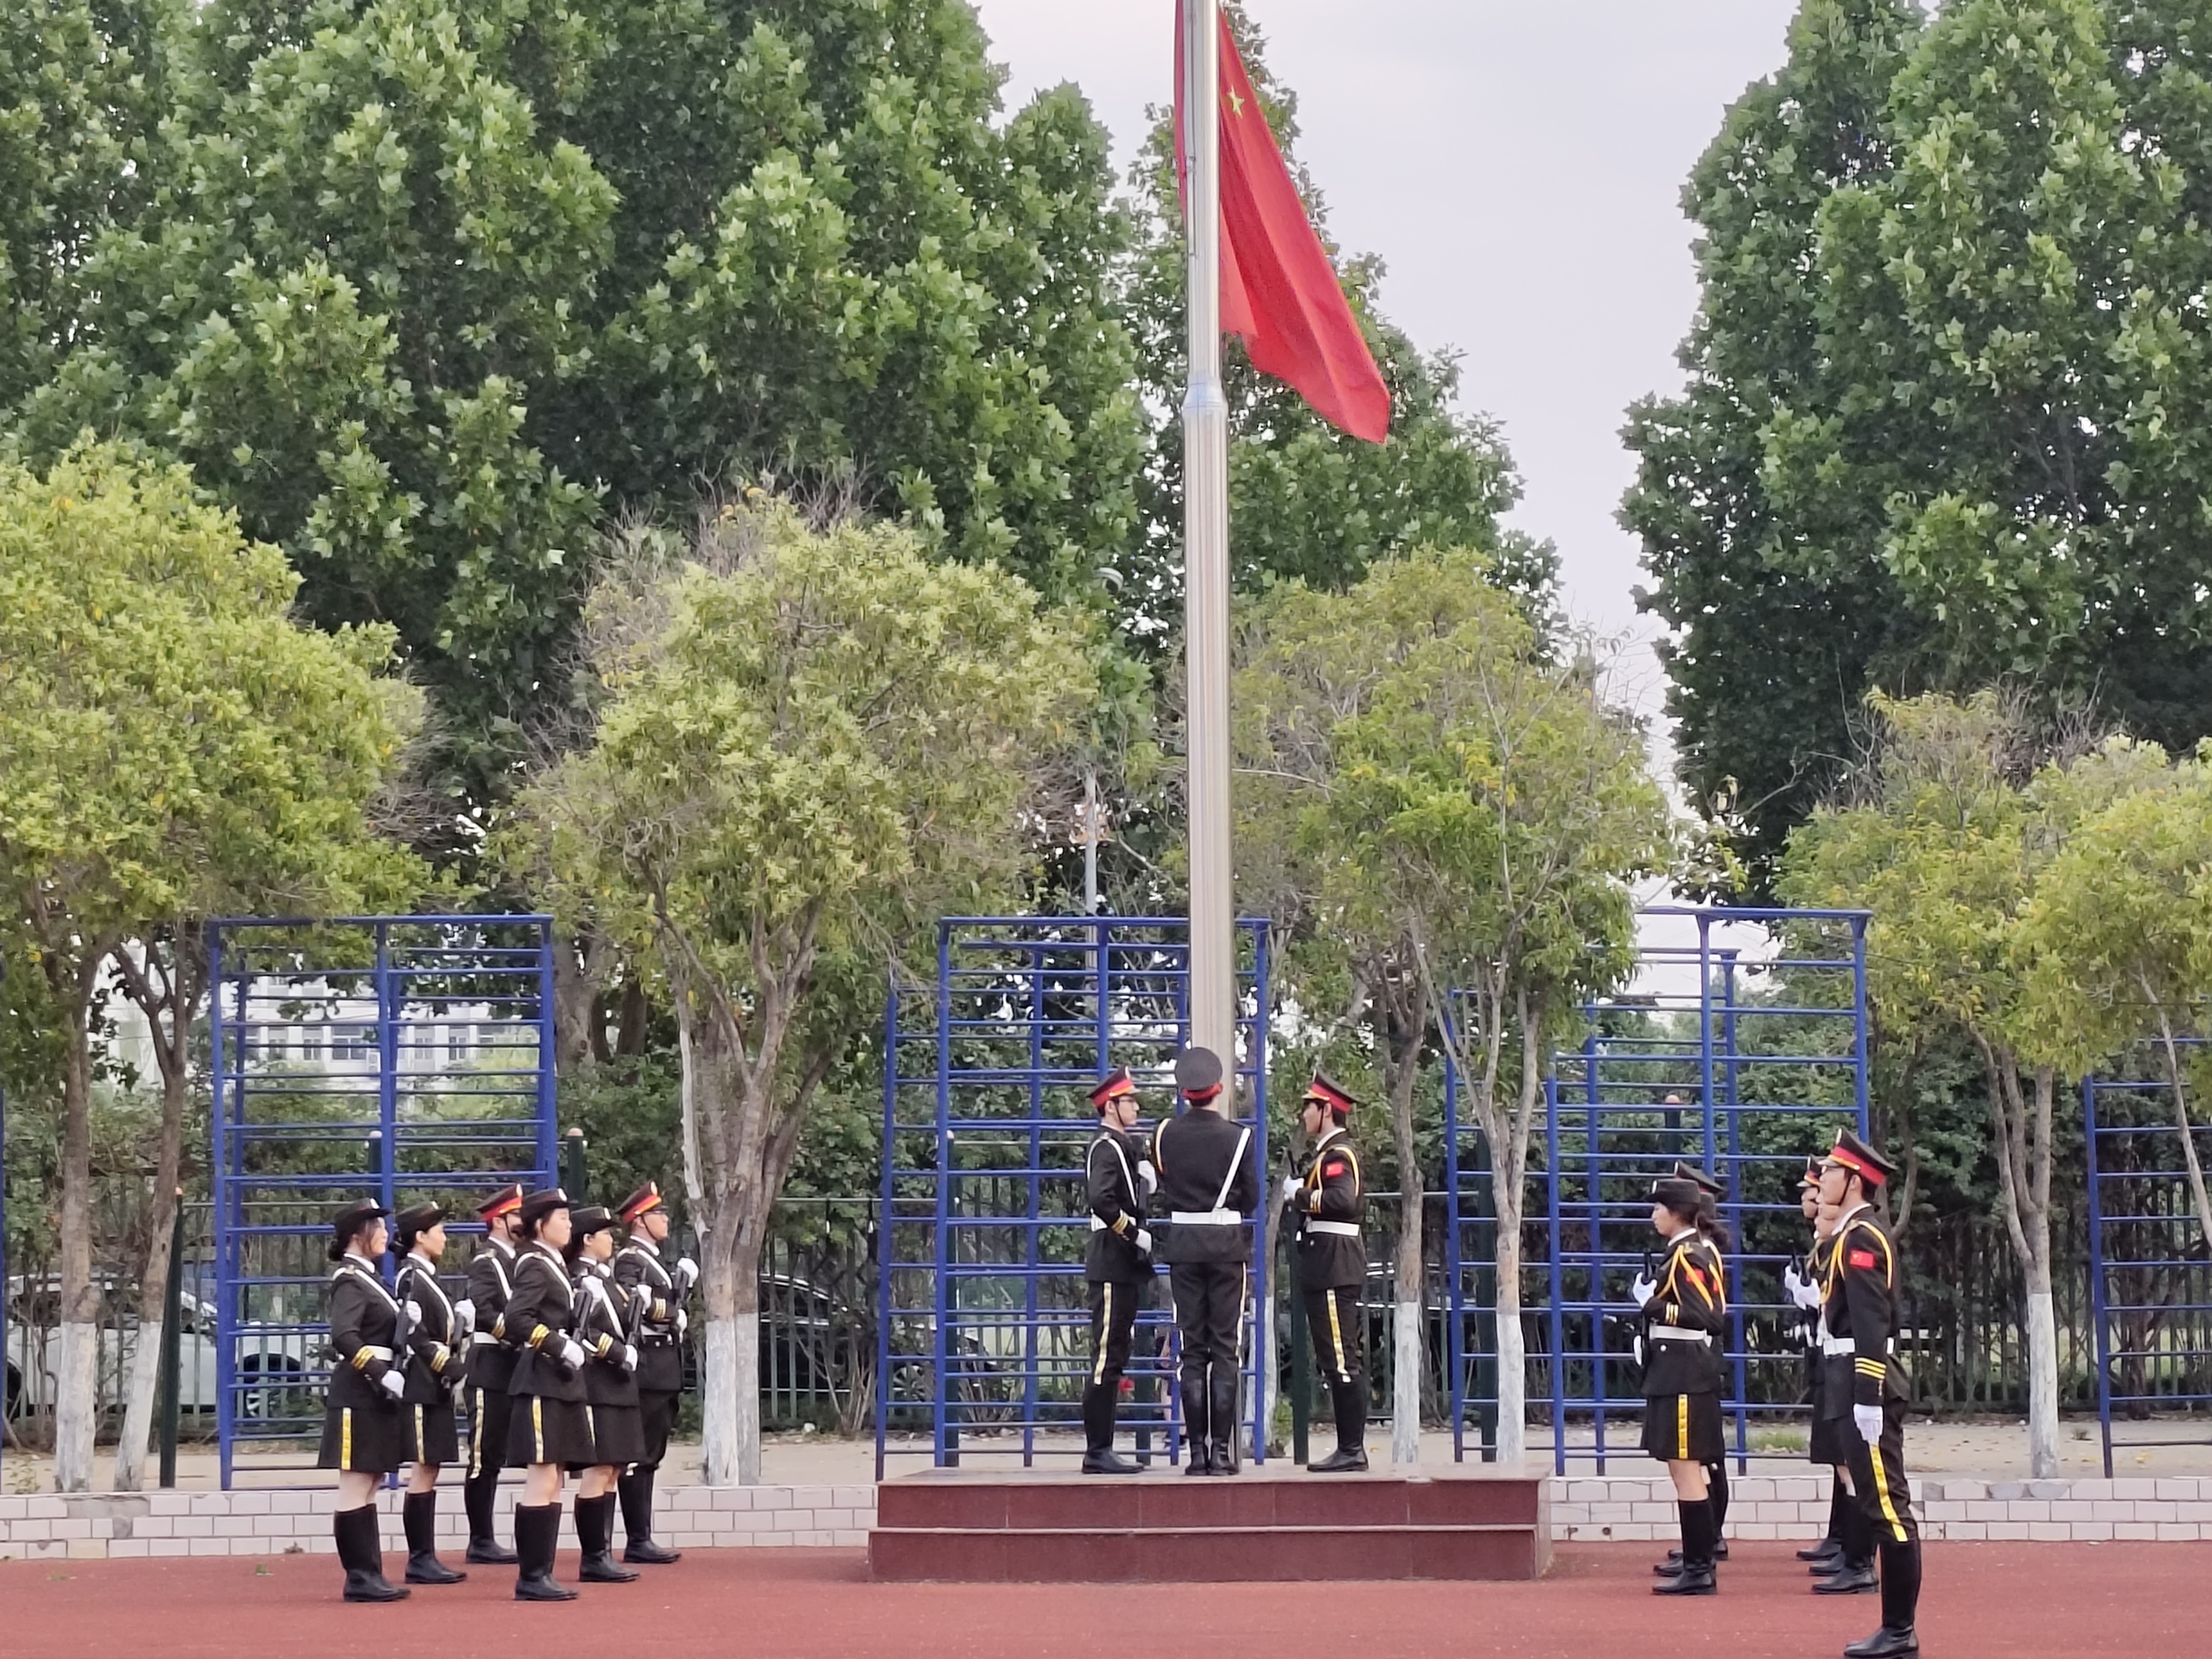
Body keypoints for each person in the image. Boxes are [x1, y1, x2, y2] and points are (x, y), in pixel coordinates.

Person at [1818, 1131, 1923, 1658]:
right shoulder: (1850, 1234)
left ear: (1854, 1181)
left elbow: (1870, 1322)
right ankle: (1895, 1630)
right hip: (1849, 1380)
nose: (1823, 1179)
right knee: (1879, 1505)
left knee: (1888, 1508)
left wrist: (1866, 1394)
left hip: (1866, 1385)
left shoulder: (1862, 1237)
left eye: (1831, 1171)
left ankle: (1899, 1631)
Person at [1150, 1046, 1260, 1476]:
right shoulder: (1240, 1138)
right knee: (1226, 1349)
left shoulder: (1164, 1135)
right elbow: (1251, 1198)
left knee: (1192, 1351)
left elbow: (1164, 1185)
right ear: (1218, 1089)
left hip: (1184, 1247)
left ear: (1184, 1092)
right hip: (1226, 1248)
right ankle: (1221, 1454)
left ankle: (1196, 1453)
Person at [1636, 1172, 1729, 1596]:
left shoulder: (1688, 1255)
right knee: (1683, 1468)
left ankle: (1699, 1568)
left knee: (1687, 1469)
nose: (1654, 1215)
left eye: (1659, 1208)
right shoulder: (1685, 1251)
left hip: (1685, 1372)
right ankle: (1697, 1561)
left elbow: (1708, 1317)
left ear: (1677, 1213)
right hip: (1675, 1369)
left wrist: (1652, 1306)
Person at [501, 1186, 591, 1601]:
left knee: (554, 1477)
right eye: (563, 1219)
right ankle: (532, 1576)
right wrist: (557, 1344)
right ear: (541, 1225)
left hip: (559, 1379)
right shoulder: (534, 1264)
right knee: (542, 1475)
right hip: (540, 1377)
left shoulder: (554, 1264)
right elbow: (517, 1318)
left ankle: (544, 1572)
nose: (570, 1226)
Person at [318, 1198, 409, 1602]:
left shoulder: (370, 1278)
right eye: (378, 1227)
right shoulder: (350, 1279)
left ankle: (371, 1573)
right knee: (356, 1483)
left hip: (378, 1392)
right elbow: (344, 1335)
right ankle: (359, 1577)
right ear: (357, 1235)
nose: (386, 1234)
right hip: (359, 1391)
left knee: (370, 1481)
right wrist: (378, 1371)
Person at [1788, 1157, 1871, 1593]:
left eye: (1820, 1198)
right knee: (1844, 1465)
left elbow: (1869, 1318)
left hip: (1849, 1364)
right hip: (1833, 1360)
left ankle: (1858, 1559)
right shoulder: (1834, 1245)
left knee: (1854, 1468)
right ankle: (1848, 1552)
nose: (1815, 1204)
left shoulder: (1858, 1240)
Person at [1283, 1071, 1367, 1473]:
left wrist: (1300, 1194)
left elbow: (1342, 1201)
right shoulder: (1328, 1154)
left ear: (1326, 1110)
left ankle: (1352, 1449)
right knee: (1335, 1358)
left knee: (1341, 1359)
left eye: (1309, 1107)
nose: (1304, 1115)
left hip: (1335, 1263)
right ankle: (1349, 1448)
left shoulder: (1338, 1155)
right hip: (1328, 1262)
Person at [612, 1181, 696, 1560]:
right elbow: (632, 1303)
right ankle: (637, 1539)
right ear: (640, 1220)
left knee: (651, 1454)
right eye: (658, 1214)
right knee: (640, 1455)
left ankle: (641, 1536)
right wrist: (672, 1312)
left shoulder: (652, 1259)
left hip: (664, 1365)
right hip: (648, 1363)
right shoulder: (631, 1258)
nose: (665, 1219)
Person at [1079, 1066, 1156, 1474]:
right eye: (1130, 1101)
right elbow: (1102, 1200)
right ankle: (1097, 1450)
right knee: (1106, 1355)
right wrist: (1132, 1231)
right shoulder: (1106, 1147)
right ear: (1111, 1106)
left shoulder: (1121, 1147)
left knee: (1116, 1353)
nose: (1136, 1108)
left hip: (1121, 1261)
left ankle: (1102, 1447)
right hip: (1111, 1256)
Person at [565, 1204, 646, 1584]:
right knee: (599, 1469)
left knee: (614, 1467)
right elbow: (582, 1330)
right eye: (605, 1234)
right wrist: (616, 1352)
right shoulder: (580, 1279)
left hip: (618, 1383)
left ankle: (605, 1551)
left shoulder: (606, 1278)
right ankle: (593, 1556)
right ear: (587, 1240)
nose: (611, 1240)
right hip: (598, 1381)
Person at [389, 1202, 468, 1586]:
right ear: (420, 1237)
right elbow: (414, 1335)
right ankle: (420, 1558)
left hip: (435, 1384)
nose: (445, 1237)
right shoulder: (411, 1277)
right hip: (421, 1383)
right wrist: (446, 1363)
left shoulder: (426, 1275)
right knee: (423, 1468)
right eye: (439, 1230)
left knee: (431, 1467)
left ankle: (426, 1556)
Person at [462, 1182, 525, 1564]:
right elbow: (485, 1311)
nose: (523, 1221)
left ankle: (486, 1537)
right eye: (516, 1214)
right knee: (483, 1456)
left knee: (497, 1454)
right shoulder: (487, 1261)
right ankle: (480, 1539)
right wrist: (521, 1335)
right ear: (499, 1220)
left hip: (511, 1367)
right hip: (490, 1366)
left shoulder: (519, 1260)